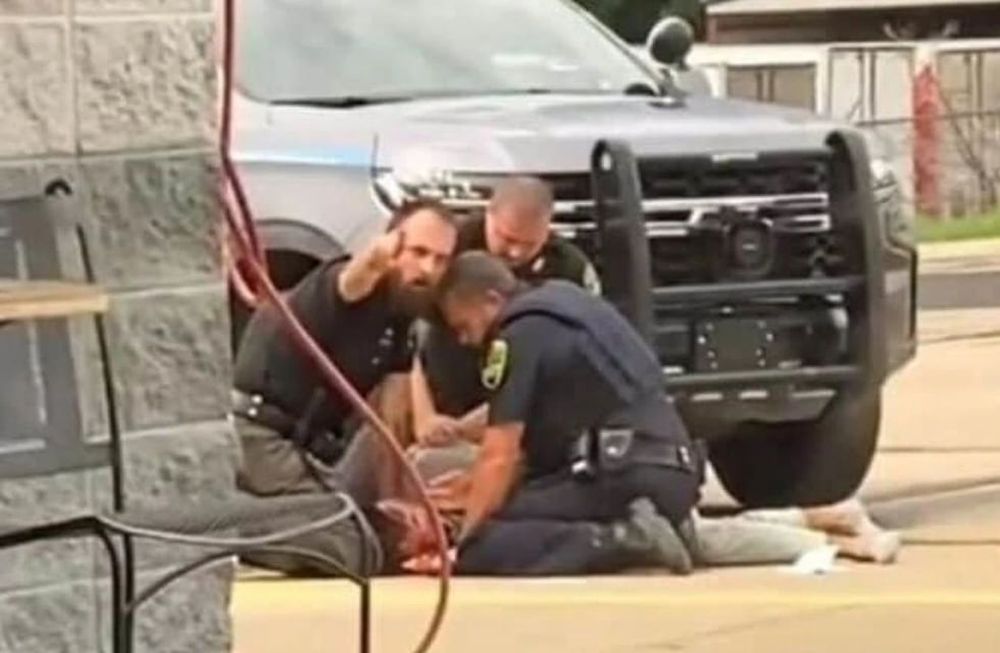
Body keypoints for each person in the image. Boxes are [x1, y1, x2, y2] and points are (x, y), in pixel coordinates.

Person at [406, 251, 702, 575]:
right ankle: (660, 531)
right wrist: (473, 484)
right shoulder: (569, 301)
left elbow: (499, 455)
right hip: (673, 474)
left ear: (491, 300)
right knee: (515, 505)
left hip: (626, 478)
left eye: (464, 326)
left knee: (487, 541)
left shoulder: (517, 336)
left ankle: (627, 540)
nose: (466, 340)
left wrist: (462, 546)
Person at [229, 199, 458, 575]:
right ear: (391, 245)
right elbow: (355, 279)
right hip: (261, 438)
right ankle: (226, 529)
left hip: (306, 455)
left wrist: (397, 504)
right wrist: (376, 258)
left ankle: (255, 517)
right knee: (351, 549)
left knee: (382, 536)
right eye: (418, 252)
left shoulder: (401, 320)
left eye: (441, 259)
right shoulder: (343, 285)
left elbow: (390, 423)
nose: (428, 269)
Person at [411, 176, 600, 450]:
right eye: (507, 238)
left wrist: (472, 428)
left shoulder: (569, 270)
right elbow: (411, 341)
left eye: (530, 243)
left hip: (521, 414)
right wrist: (424, 417)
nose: (515, 252)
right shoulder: (450, 247)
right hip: (443, 394)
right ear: (489, 215)